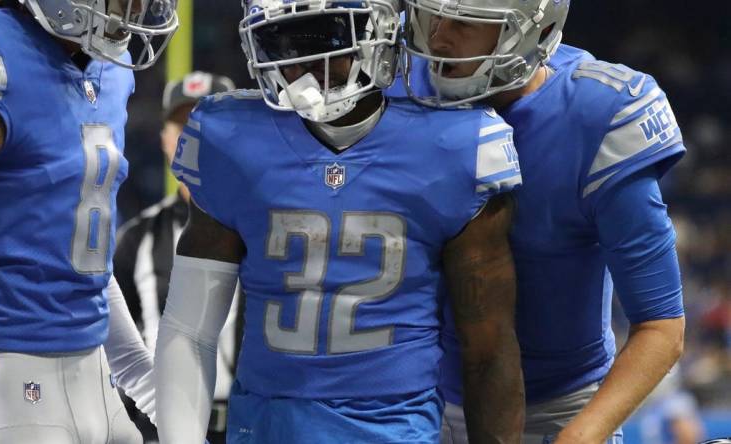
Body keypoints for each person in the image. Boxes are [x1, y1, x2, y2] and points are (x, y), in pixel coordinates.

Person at [155, 0, 526, 443]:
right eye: (285, 40)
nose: (307, 63)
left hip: (393, 428)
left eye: (327, 36)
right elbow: (189, 329)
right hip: (266, 426)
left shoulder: (455, 147)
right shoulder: (231, 140)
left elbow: (489, 350)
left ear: (379, 30)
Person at [395, 1, 687, 443]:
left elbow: (661, 326)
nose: (437, 38)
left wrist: (580, 435)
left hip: (556, 405)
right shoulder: (398, 82)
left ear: (536, 30)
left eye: (464, 23)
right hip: (418, 398)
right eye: (432, 15)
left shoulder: (597, 115)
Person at [0, 0, 178, 442]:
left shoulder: (113, 67)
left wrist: (144, 383)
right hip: (2, 375)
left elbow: (80, 253)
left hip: (96, 378)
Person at [113, 70, 239, 444]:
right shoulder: (138, 238)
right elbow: (115, 343)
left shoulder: (270, 228)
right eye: (182, 126)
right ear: (165, 140)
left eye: (207, 125)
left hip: (250, 424)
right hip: (157, 425)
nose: (194, 139)